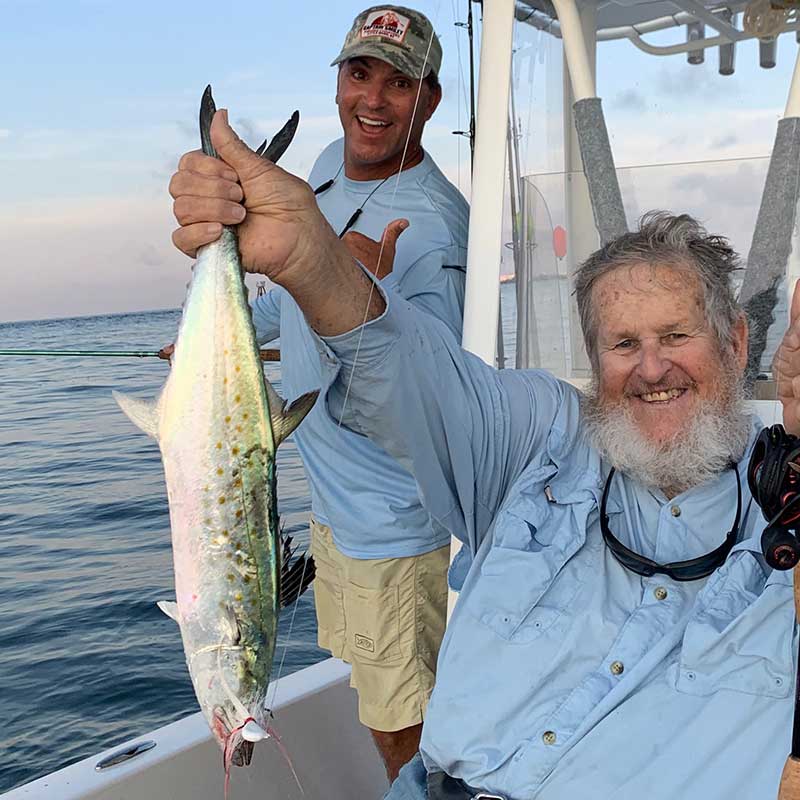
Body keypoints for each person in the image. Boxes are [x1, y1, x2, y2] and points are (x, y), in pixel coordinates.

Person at [170, 110, 800, 798]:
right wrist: (307, 258)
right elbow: (412, 376)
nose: (651, 369)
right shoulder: (544, 438)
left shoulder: (786, 510)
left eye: (677, 336)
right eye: (623, 345)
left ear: (737, 343)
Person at [168, 6, 468, 782]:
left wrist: (356, 286)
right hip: (328, 509)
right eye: (359, 72)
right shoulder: (331, 168)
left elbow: (431, 383)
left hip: (390, 527)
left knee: (401, 716)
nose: (373, 99)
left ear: (430, 101)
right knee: (376, 691)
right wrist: (217, 338)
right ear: (338, 80)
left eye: (400, 84)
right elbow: (288, 289)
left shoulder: (432, 226)